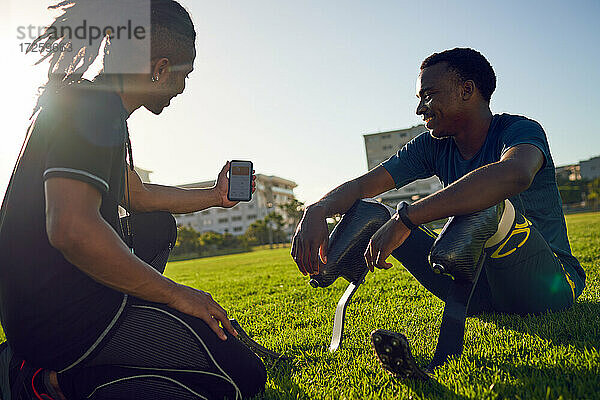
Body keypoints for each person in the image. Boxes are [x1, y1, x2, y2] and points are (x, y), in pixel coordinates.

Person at [0, 1, 266, 399]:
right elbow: (71, 229)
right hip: (56, 320)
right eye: (183, 76)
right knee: (240, 380)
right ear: (159, 69)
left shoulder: (96, 107)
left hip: (47, 305)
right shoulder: (91, 110)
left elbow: (137, 196)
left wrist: (214, 196)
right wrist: (178, 294)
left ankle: (61, 359)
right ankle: (37, 384)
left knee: (157, 226)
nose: (182, 89)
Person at [291, 47, 585, 375]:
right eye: (419, 98)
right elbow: (363, 186)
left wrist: (407, 218)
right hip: (482, 292)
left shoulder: (519, 130)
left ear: (467, 91)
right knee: (370, 212)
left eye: (428, 96)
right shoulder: (432, 145)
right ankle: (325, 306)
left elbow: (514, 173)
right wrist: (317, 208)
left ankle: (443, 359)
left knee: (485, 206)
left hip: (549, 288)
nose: (420, 109)